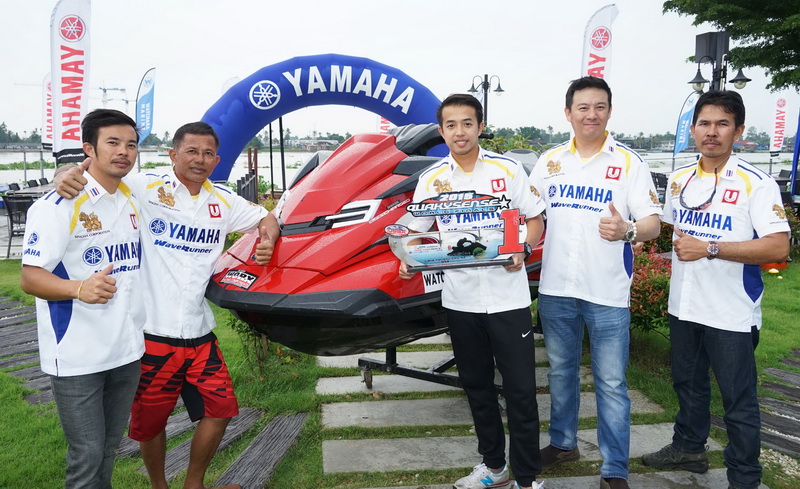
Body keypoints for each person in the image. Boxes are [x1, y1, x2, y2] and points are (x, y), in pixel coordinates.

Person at [55, 121, 279, 489]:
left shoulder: (224, 201)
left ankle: (193, 484)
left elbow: (266, 217)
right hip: (152, 335)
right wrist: (64, 173)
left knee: (222, 409)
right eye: (191, 151)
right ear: (173, 154)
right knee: (150, 423)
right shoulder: (144, 187)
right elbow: (101, 172)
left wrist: (267, 238)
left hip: (199, 331)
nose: (199, 159)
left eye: (208, 153)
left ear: (217, 160)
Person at [641, 90, 790, 489]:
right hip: (684, 305)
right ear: (693, 129)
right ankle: (689, 448)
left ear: (738, 131)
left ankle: (744, 477)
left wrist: (710, 248)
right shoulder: (679, 180)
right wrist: (636, 236)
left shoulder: (756, 183)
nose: (712, 132)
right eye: (704, 123)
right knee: (687, 385)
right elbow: (669, 231)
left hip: (731, 311)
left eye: (722, 124)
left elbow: (778, 247)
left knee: (737, 400)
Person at [398, 94, 545, 489]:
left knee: (520, 392)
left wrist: (523, 248)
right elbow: (416, 231)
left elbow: (535, 220)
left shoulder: (507, 170)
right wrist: (407, 254)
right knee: (477, 388)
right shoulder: (432, 180)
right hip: (460, 300)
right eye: (451, 125)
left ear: (480, 127)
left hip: (508, 299)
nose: (459, 132)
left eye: (467, 123)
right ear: (441, 131)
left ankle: (527, 478)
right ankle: (494, 468)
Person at [528, 76, 663, 489]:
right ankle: (563, 443)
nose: (591, 114)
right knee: (560, 372)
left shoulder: (630, 162)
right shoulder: (549, 161)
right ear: (568, 113)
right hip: (556, 289)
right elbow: (527, 214)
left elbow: (653, 224)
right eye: (583, 107)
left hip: (607, 291)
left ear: (609, 111)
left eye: (599, 107)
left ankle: (614, 468)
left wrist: (627, 230)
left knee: (611, 382)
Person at [21, 108, 144, 488]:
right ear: (88, 148)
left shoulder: (134, 195)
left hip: (126, 350)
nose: (123, 151)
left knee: (108, 448)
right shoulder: (57, 205)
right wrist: (78, 288)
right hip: (78, 355)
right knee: (87, 454)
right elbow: (29, 277)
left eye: (131, 145)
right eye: (113, 142)